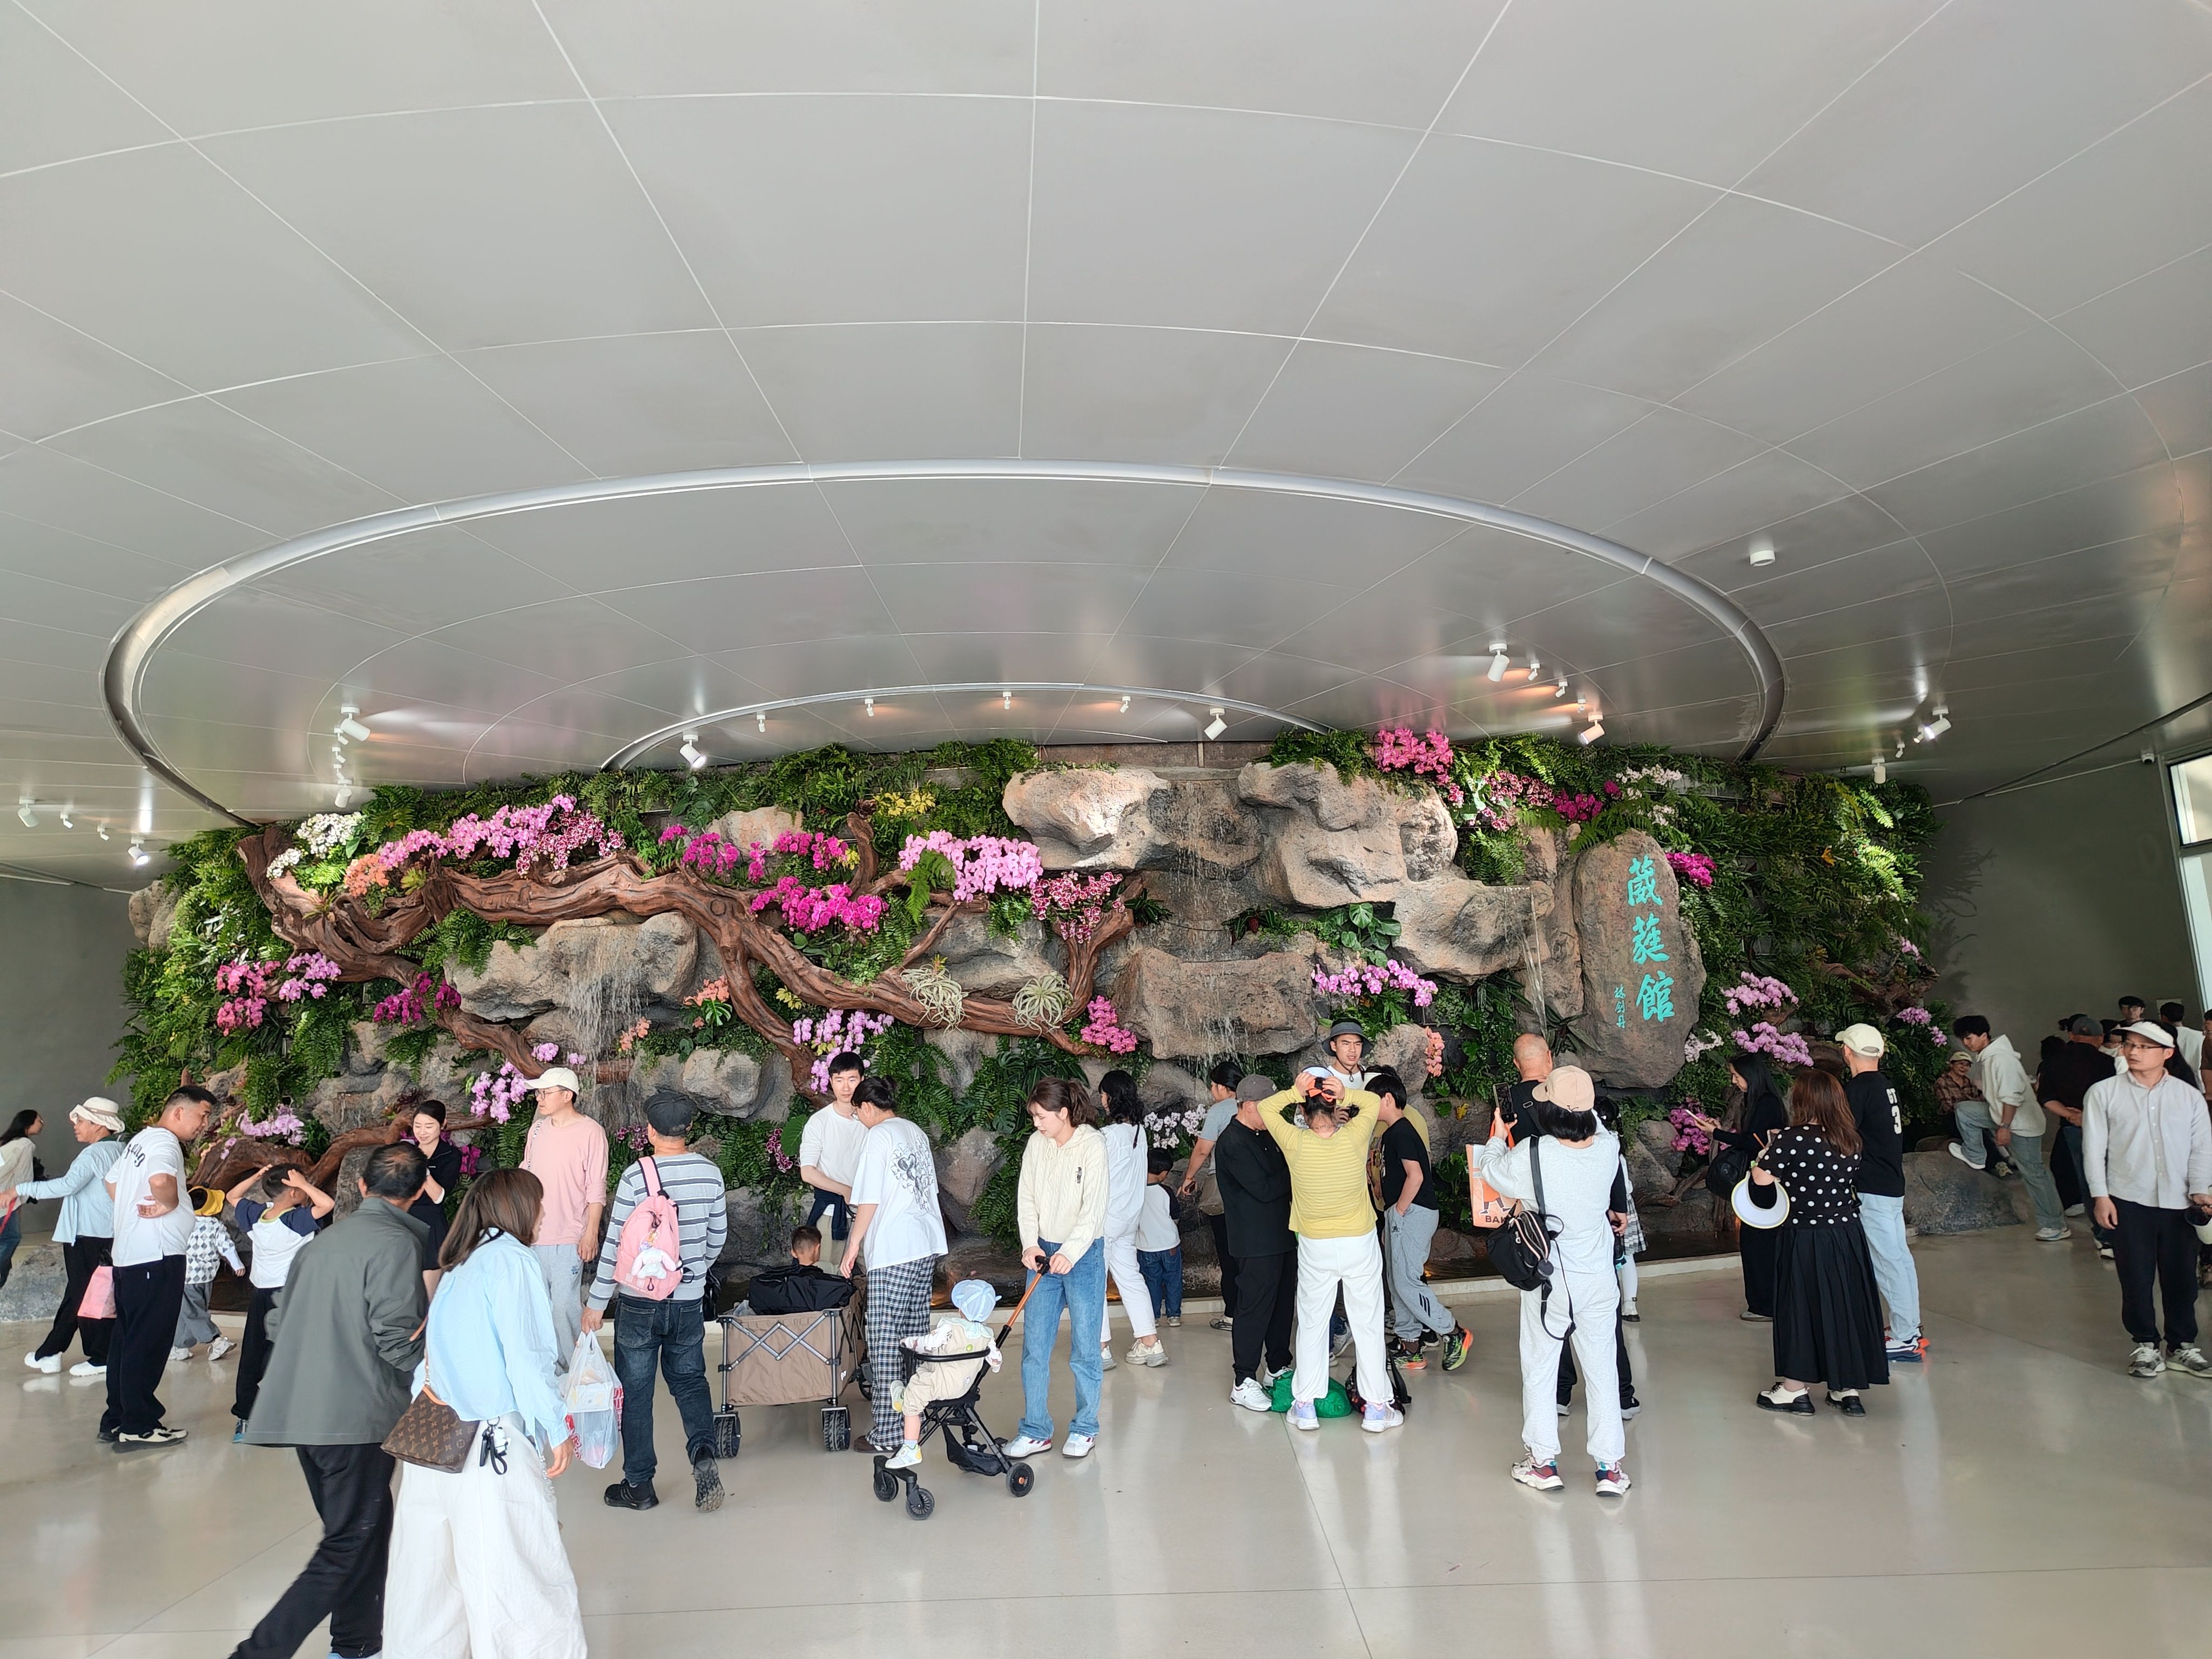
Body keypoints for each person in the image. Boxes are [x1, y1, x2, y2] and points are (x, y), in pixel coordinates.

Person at [231, 1143, 430, 1659]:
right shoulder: (396, 1244)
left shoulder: (322, 1242)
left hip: (306, 1413)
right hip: (354, 1419)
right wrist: (438, 1364)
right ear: (417, 1193)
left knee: (366, 1531)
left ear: (362, 1187)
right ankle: (258, 1653)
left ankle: (356, 1644)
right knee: (347, 1542)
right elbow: (396, 1339)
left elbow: (278, 1320)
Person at [384, 1169, 585, 1659]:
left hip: (435, 1441)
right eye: (539, 1203)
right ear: (517, 1207)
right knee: (515, 1579)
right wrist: (556, 1425)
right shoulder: (512, 1261)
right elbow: (527, 1357)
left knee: (432, 1586)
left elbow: (431, 1359)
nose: (543, 1213)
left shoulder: (461, 1262)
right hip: (489, 1446)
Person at [1468, 1065, 1628, 1496]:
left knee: (1540, 1366)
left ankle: (1542, 1464)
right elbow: (1595, 1130)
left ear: (1550, 1111)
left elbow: (1491, 1171)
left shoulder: (1535, 1153)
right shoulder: (1609, 1148)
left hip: (1551, 1280)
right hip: (1599, 1278)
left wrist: (1497, 1135)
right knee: (1603, 1368)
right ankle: (1610, 1469)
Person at [584, 1095, 730, 1515]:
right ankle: (703, 1453)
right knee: (690, 1381)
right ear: (689, 1129)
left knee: (637, 1392)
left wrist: (596, 1303)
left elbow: (617, 1243)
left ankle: (640, 1485)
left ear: (650, 1131)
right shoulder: (710, 1173)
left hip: (639, 1302)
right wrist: (693, 1273)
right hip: (687, 1300)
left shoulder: (636, 1176)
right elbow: (717, 1237)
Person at [1257, 1073, 1400, 1434]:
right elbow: (1372, 1102)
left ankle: (1305, 1405)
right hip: (1359, 1242)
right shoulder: (1355, 1136)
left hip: (1316, 1245)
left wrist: (1293, 1091)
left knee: (1313, 1323)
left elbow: (1266, 1109)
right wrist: (1346, 1091)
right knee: (1367, 1323)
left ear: (1303, 1113)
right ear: (1335, 1108)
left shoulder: (1294, 1141)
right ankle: (1377, 1409)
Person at [1748, 1069, 1890, 1417]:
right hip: (1846, 1235)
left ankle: (1794, 1389)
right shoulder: (1850, 1139)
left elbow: (1761, 1179)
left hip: (1804, 1236)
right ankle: (1847, 1388)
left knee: (1800, 1307)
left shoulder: (1792, 1138)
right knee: (1844, 1305)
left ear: (1803, 1101)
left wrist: (1768, 1153)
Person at [2083, 1021, 2212, 1379]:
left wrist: (2201, 1191)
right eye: (2129, 1045)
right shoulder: (2104, 1093)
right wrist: (2101, 1196)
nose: (2133, 1052)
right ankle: (2145, 1345)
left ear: (2167, 1053)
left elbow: (2201, 1148)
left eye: (2144, 1046)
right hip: (2128, 1199)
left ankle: (2182, 1346)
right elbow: (2093, 1149)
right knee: (2136, 1277)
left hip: (2181, 1202)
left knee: (2182, 1279)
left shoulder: (2188, 1096)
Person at [102, 1084, 215, 1448]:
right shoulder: (166, 1143)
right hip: (158, 1257)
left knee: (126, 1340)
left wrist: (135, 1210)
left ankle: (117, 1418)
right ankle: (139, 1424)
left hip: (131, 1257)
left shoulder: (141, 1140)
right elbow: (162, 1181)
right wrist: (168, 1205)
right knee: (147, 1343)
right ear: (179, 1112)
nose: (205, 1124)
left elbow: (111, 1182)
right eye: (203, 1115)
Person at [839, 1076, 948, 1456]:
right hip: (925, 1244)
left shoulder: (879, 1137)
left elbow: (868, 1200)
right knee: (915, 1338)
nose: (859, 1120)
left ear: (868, 1107)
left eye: (858, 1113)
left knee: (885, 1341)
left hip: (895, 1249)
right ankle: (915, 1420)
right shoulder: (914, 1131)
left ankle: (888, 1432)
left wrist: (853, 1246)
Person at [1005, 1075, 1108, 1460]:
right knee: (1034, 1347)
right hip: (1042, 1255)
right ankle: (1035, 1430)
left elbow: (1094, 1208)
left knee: (1085, 1348)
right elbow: (1027, 1197)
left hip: (1084, 1256)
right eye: (1034, 1117)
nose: (1037, 1124)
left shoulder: (1093, 1145)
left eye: (1042, 1117)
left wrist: (1072, 1251)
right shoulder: (1037, 1144)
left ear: (1064, 1113)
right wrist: (1030, 1244)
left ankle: (1085, 1427)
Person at [11, 1095, 124, 1376]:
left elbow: (67, 1186)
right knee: (81, 1294)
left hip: (88, 1235)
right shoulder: (118, 1149)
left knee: (89, 1297)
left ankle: (101, 1357)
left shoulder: (94, 1154)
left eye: (81, 1121)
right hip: (103, 1234)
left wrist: (19, 1190)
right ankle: (51, 1352)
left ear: (99, 1125)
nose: (76, 1126)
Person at [1834, 1025, 1924, 1364]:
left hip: (1872, 1187)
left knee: (1887, 1262)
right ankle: (1910, 1327)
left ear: (1847, 1052)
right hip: (1891, 1183)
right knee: (1899, 1258)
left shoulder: (1857, 1090)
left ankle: (1904, 1337)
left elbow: (1841, 1135)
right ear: (1881, 1053)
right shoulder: (1885, 1086)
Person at [1372, 1070, 1469, 1372]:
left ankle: (1452, 1331)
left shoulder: (1403, 1131)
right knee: (1397, 1280)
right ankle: (1410, 1345)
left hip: (1412, 1212)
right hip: (1400, 1212)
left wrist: (1399, 1212)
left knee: (1406, 1281)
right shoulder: (1391, 1133)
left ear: (1388, 1099)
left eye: (1372, 1100)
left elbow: (1415, 1176)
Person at [229, 1165, 335, 1440]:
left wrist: (256, 1177)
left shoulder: (257, 1215)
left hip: (260, 1294)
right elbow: (327, 1204)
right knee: (292, 1353)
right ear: (292, 1192)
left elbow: (232, 1196)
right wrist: (305, 1184)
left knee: (253, 1353)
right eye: (301, 1186)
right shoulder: (295, 1220)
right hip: (289, 1295)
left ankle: (245, 1418)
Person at [517, 1065, 608, 1375]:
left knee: (563, 1307)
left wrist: (590, 1233)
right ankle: (549, 1374)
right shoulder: (537, 1130)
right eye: (538, 1093)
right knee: (539, 1307)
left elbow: (596, 1188)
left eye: (546, 1093)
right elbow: (527, 1173)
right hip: (534, 1234)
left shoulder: (592, 1132)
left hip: (570, 1234)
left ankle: (577, 1371)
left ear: (567, 1095)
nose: (539, 1098)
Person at [1214, 1077, 1295, 1412]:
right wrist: (1297, 1169)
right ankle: (1244, 1379)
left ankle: (1277, 1367)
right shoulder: (1232, 1143)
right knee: (1254, 1309)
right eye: (1269, 1108)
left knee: (1282, 1306)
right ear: (1249, 1106)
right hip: (1254, 1241)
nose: (1274, 1115)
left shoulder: (1267, 1134)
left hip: (1282, 1235)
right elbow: (1264, 1189)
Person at [1688, 1056, 1789, 1320]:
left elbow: (1753, 1143)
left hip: (1763, 1182)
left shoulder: (1766, 1103)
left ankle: (1764, 1305)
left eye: (1737, 1075)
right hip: (1761, 1179)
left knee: (1758, 1243)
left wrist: (1716, 1134)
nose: (1734, 1081)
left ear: (1751, 1075)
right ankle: (1764, 1303)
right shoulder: (1761, 1101)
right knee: (1756, 1242)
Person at [1952, 1015, 2069, 1241]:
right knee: (1965, 1110)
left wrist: (2005, 1127)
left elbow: (2011, 1098)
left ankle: (2055, 1225)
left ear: (1984, 1035)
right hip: (2002, 1116)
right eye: (1963, 1039)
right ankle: (1975, 1155)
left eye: (1969, 1038)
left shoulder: (2001, 1059)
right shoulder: (1989, 1057)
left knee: (2034, 1173)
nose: (1966, 1043)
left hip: (2020, 1125)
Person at [884, 1278, 1002, 1472]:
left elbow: (927, 1345)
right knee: (921, 1386)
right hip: (964, 1389)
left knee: (913, 1401)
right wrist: (994, 1365)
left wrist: (908, 1342)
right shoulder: (987, 1335)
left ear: (961, 1308)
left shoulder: (949, 1327)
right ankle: (903, 1398)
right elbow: (996, 1361)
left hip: (937, 1385)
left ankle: (911, 1448)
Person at [1095, 1070, 1165, 1370]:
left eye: (1103, 1094)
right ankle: (1150, 1342)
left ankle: (1100, 1349)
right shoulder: (1139, 1132)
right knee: (1131, 1278)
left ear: (1110, 1097)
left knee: (1095, 1282)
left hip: (1104, 1220)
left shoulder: (1106, 1137)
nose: (1101, 1099)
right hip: (1129, 1219)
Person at [1177, 1060, 1244, 1332]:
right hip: (1255, 1192)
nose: (1212, 1091)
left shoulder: (1220, 1110)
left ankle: (1232, 1315)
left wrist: (1189, 1178)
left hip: (1225, 1190)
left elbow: (1204, 1149)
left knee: (1228, 1254)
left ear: (1223, 1087)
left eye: (1213, 1086)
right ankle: (1254, 1311)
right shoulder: (1256, 1105)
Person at [2043, 1015, 2119, 1253]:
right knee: (2114, 1178)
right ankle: (2120, 1230)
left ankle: (2103, 1235)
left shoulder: (2054, 1062)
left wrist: (2071, 1115)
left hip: (2073, 1128)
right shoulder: (2108, 1063)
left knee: (2089, 1180)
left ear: (2072, 1036)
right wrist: (2090, 1116)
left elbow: (2045, 1098)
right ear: (2100, 1038)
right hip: (2108, 1127)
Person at [798, 1051, 869, 1245]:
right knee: (828, 1264)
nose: (846, 1087)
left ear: (862, 1080)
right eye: (839, 1080)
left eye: (852, 1080)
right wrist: (846, 1191)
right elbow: (808, 1172)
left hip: (869, 1213)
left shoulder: (871, 1120)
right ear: (830, 1081)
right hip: (831, 1213)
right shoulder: (819, 1122)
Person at [171, 1186, 245, 1359]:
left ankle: (216, 1341)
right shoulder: (216, 1226)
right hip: (206, 1277)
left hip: (186, 1277)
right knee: (190, 1310)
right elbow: (227, 1247)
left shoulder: (182, 1223)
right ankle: (181, 1346)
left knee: (191, 1312)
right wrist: (237, 1264)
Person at [401, 1100, 462, 1292]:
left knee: (428, 1293)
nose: (422, 1132)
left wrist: (422, 1167)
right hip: (404, 1222)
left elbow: (439, 1197)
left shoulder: (451, 1155)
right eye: (418, 1126)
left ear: (443, 1124)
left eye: (429, 1126)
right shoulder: (405, 1152)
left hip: (430, 1225)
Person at [1136, 1148, 1184, 1327]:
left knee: (1152, 1281)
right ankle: (1174, 1315)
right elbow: (1175, 1215)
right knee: (1173, 1279)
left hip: (1146, 1247)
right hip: (1170, 1245)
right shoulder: (1166, 1191)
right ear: (1163, 1173)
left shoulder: (1136, 1191)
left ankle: (1154, 1317)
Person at [0, 1110, 40, 1292]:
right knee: (11, 1237)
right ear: (28, 1123)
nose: (42, 1124)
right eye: (39, 1120)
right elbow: (24, 1177)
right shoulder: (25, 1145)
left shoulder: (8, 1144)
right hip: (7, 1201)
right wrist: (22, 1198)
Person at [1501, 1033, 1554, 1139]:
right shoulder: (1565, 1093)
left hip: (1519, 1150)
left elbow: (1499, 1142)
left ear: (1516, 1063)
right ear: (1549, 1057)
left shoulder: (1504, 1098)